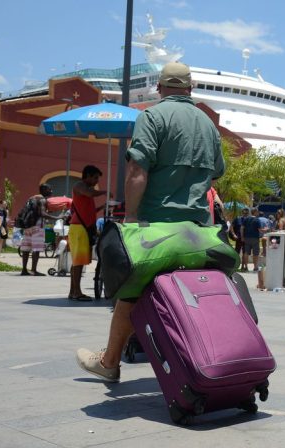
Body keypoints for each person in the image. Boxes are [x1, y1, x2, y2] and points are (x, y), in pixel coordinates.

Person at [76, 61, 226, 383]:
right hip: (200, 233)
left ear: (159, 88)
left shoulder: (152, 117)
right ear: (191, 88)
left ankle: (109, 361)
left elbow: (137, 171)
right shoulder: (208, 125)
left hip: (158, 228)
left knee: (130, 292)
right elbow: (216, 172)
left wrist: (131, 219)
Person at [66, 165, 107, 301]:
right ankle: (77, 292)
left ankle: (73, 292)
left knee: (78, 262)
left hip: (82, 228)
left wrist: (102, 207)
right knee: (78, 263)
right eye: (95, 178)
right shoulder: (80, 186)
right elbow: (90, 193)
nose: (96, 181)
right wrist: (104, 192)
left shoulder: (86, 190)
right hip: (79, 229)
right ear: (88, 175)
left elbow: (89, 212)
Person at [20, 184, 57, 276]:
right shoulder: (42, 199)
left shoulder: (31, 198)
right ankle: (34, 270)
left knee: (26, 249)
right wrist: (57, 217)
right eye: (49, 189)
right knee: (36, 249)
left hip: (27, 226)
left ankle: (24, 269)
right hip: (37, 227)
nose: (51, 191)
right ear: (44, 190)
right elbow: (42, 213)